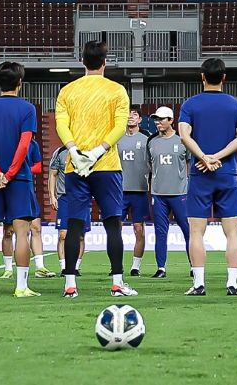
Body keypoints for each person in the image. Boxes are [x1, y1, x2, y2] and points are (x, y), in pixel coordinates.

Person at [55, 41, 134, 299]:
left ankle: (70, 285)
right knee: (112, 224)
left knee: (74, 225)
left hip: (75, 166)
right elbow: (120, 127)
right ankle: (117, 283)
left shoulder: (67, 91)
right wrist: (98, 152)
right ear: (104, 62)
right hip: (107, 166)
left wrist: (75, 151)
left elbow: (61, 125)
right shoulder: (117, 90)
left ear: (82, 62)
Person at [178, 58, 237, 296]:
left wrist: (204, 157)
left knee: (196, 232)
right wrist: (217, 157)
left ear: (202, 77)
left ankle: (199, 284)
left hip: (200, 173)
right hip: (226, 173)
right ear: (224, 77)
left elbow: (184, 135)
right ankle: (232, 283)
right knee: (233, 232)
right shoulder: (235, 105)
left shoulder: (190, 104)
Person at [0, 61, 40, 298]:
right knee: (22, 233)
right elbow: (24, 145)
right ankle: (21, 287)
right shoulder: (27, 109)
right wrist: (10, 174)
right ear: (20, 83)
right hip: (19, 179)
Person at [148, 106, 190, 278]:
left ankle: (194, 267)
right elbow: (150, 165)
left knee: (188, 231)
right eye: (156, 119)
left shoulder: (182, 141)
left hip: (180, 193)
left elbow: (189, 163)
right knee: (160, 232)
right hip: (158, 194)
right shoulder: (151, 142)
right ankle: (161, 268)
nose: (158, 122)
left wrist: (183, 182)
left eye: (161, 119)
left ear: (171, 120)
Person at [120, 106, 152, 277]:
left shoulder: (147, 139)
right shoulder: (117, 138)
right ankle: (116, 265)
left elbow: (154, 163)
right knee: (115, 229)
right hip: (119, 192)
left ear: (140, 119)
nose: (130, 117)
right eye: (128, 114)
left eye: (134, 115)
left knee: (139, 229)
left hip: (139, 190)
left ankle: (135, 267)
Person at [48, 144, 88, 276]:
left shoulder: (87, 149)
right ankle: (64, 267)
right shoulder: (60, 152)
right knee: (63, 234)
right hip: (64, 198)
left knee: (80, 235)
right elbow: (53, 174)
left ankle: (75, 267)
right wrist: (52, 196)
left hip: (81, 198)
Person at [27, 137, 56, 278]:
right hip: (7, 187)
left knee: (36, 228)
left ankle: (40, 267)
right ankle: (8, 269)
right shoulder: (5, 140)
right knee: (9, 231)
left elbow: (38, 167)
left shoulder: (32, 143)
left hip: (26, 188)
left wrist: (22, 171)